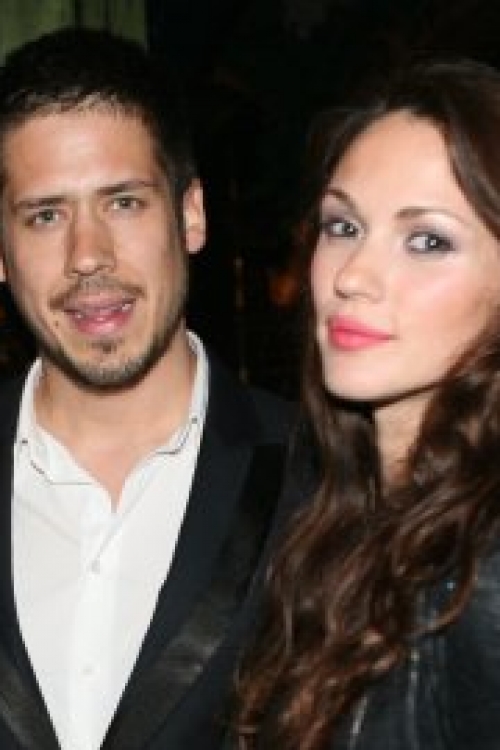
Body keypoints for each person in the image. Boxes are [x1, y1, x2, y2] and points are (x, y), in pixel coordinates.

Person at [0, 26, 293, 750]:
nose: (87, 255)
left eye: (123, 203)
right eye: (46, 215)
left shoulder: (324, 478)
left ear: (190, 215)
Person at [231, 57, 500, 750]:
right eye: (343, 226)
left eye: (428, 241)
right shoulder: (335, 519)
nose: (353, 276)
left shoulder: (482, 575)